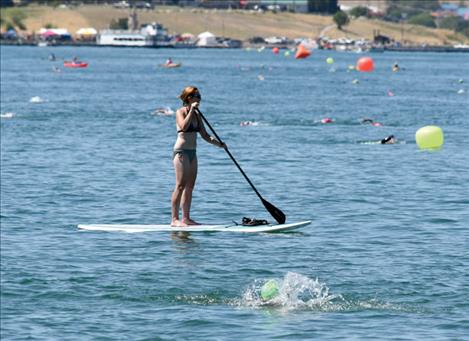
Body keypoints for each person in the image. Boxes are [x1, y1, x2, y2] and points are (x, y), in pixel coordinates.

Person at [171, 86, 226, 227]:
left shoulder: (198, 115)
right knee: (180, 185)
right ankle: (174, 219)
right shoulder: (180, 112)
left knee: (190, 187)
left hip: (193, 153)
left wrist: (219, 144)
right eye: (196, 96)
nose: (199, 99)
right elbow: (183, 126)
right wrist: (191, 110)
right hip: (181, 152)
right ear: (189, 98)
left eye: (200, 96)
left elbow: (205, 135)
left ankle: (186, 219)